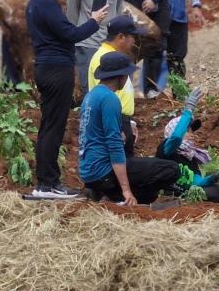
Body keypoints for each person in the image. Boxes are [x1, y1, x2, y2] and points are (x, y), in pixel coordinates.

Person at [25, 0, 109, 199]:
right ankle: (48, 184)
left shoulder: (34, 4)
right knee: (53, 127)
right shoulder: (46, 5)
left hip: (46, 67)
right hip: (56, 70)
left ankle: (46, 183)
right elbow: (71, 34)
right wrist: (95, 21)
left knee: (48, 127)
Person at [78, 51, 183, 205]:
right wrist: (126, 190)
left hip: (89, 173)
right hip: (104, 172)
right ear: (120, 76)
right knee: (171, 169)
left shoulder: (91, 96)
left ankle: (101, 191)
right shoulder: (110, 99)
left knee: (147, 181)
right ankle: (118, 196)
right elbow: (114, 146)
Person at [156, 88, 219, 202]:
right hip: (166, 190)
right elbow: (177, 137)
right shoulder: (166, 149)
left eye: (192, 131)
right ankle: (174, 199)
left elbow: (197, 182)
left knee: (218, 191)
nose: (191, 135)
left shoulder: (191, 158)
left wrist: (214, 177)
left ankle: (183, 199)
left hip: (185, 191)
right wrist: (188, 110)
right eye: (187, 130)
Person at [87, 14, 150, 119]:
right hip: (113, 119)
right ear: (121, 37)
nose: (134, 41)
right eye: (132, 37)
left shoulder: (112, 56)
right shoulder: (104, 58)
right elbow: (104, 97)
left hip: (119, 118)